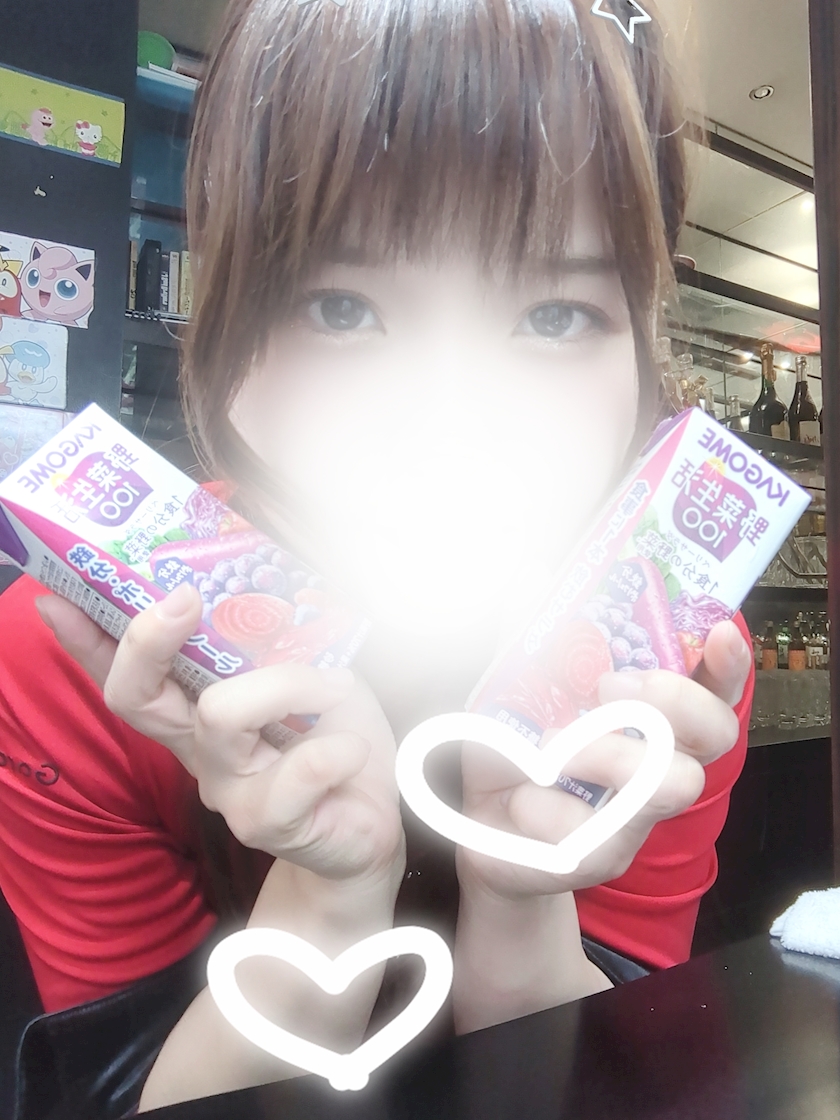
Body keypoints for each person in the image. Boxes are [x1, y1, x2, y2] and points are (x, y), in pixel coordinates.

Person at [0, 0, 754, 1114]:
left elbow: (591, 1077)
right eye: (341, 306)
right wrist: (324, 896)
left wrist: (523, 898)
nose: (453, 414)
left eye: (556, 315)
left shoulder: (658, 661)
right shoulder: (86, 657)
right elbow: (116, 1089)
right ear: (225, 322)